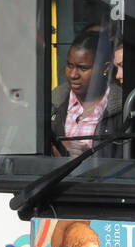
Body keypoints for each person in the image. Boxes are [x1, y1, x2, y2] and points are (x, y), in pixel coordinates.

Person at [49, 29, 122, 157]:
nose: (73, 74)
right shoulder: (52, 104)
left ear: (105, 68)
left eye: (83, 68)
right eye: (69, 65)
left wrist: (90, 157)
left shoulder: (122, 109)